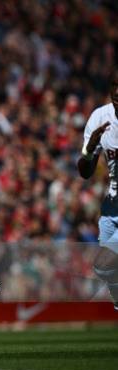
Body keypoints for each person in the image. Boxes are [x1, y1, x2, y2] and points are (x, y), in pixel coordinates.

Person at [77, 69, 118, 310]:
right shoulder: (100, 117)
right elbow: (85, 172)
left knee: (103, 264)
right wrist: (89, 149)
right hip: (111, 205)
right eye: (114, 85)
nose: (117, 92)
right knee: (106, 270)